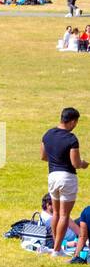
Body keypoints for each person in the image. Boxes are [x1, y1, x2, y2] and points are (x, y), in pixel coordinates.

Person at [42, 106, 87, 256]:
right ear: (72, 121)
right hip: (66, 177)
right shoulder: (71, 138)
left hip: (52, 176)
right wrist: (84, 164)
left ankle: (56, 247)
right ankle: (56, 250)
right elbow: (75, 163)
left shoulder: (48, 134)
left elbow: (43, 156)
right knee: (64, 215)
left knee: (55, 214)